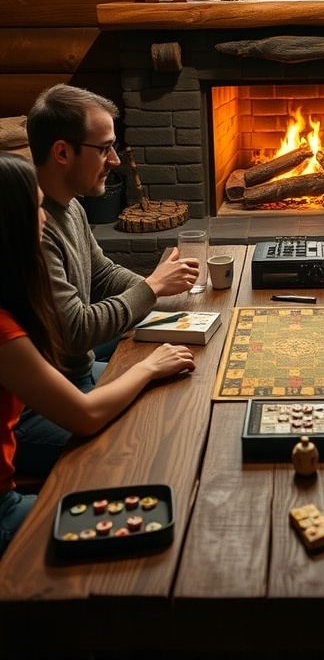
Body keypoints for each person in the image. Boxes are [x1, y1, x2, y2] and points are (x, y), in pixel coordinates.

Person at [0, 152, 196, 557]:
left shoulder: (17, 284)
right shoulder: (4, 327)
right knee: (149, 462)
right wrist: (148, 367)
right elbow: (85, 412)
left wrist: (155, 292)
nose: (44, 216)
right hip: (6, 507)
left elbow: (100, 280)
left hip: (38, 415)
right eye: (36, 206)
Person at [14, 83, 200, 477]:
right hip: (43, 405)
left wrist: (163, 286)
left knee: (178, 387)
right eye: (105, 148)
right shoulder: (33, 229)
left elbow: (101, 273)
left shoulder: (68, 206)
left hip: (79, 372)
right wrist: (151, 289)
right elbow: (77, 330)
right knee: (151, 443)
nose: (115, 159)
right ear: (63, 152)